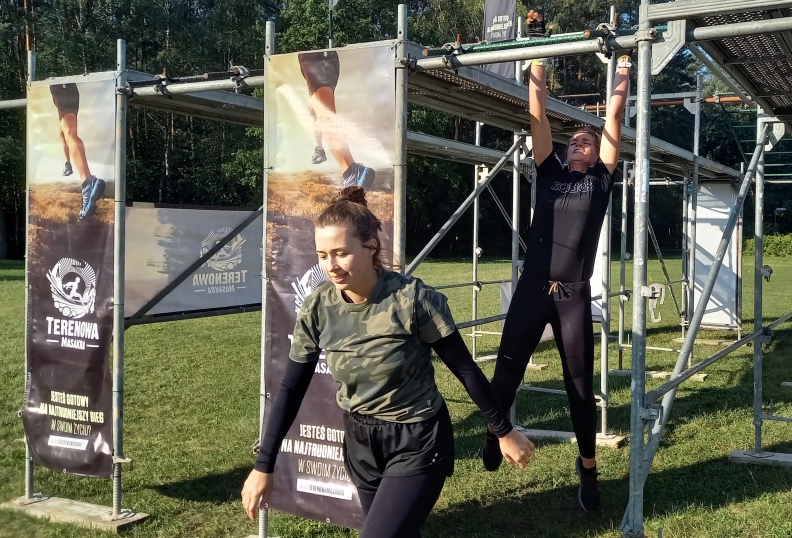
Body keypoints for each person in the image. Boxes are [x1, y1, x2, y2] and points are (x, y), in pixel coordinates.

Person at [242, 187, 534, 537]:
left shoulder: (413, 300)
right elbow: (291, 387)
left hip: (417, 438)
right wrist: (264, 465)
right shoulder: (318, 307)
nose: (330, 266)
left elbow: (466, 369)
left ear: (370, 246)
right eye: (322, 255)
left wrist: (503, 431)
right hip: (360, 442)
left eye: (340, 253)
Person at [480, 55, 631, 512]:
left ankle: (588, 469)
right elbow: (536, 112)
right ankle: (495, 431)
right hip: (532, 287)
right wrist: (540, 63)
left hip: (572, 296)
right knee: (507, 372)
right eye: (575, 141)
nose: (580, 144)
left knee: (579, 388)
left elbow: (615, 118)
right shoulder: (548, 173)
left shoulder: (601, 181)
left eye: (588, 140)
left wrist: (623, 67)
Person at [298, 51, 376, 189]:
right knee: (314, 110)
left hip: (315, 58)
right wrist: (319, 146)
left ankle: (351, 170)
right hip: (318, 59)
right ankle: (321, 150)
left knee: (325, 116)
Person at [51, 82, 105, 219]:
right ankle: (68, 165)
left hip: (60, 87)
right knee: (64, 132)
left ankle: (87, 181)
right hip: (69, 89)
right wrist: (67, 161)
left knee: (70, 135)